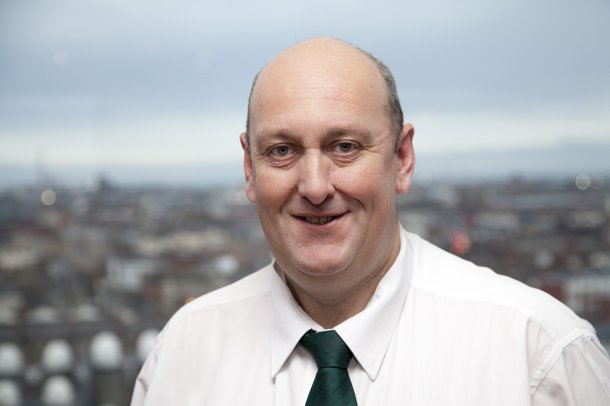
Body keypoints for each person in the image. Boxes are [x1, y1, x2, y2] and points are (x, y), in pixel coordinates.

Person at [131, 38, 610, 405]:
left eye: (345, 147)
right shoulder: (182, 355)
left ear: (402, 159)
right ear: (249, 170)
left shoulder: (537, 355)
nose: (315, 186)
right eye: (282, 151)